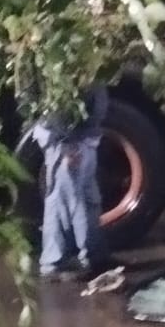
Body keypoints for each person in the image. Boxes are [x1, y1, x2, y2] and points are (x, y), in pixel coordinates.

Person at [31, 84, 109, 280]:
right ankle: (62, 261)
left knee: (81, 200)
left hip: (81, 139)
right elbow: (59, 103)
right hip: (70, 142)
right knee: (70, 202)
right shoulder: (65, 67)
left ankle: (88, 256)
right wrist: (67, 145)